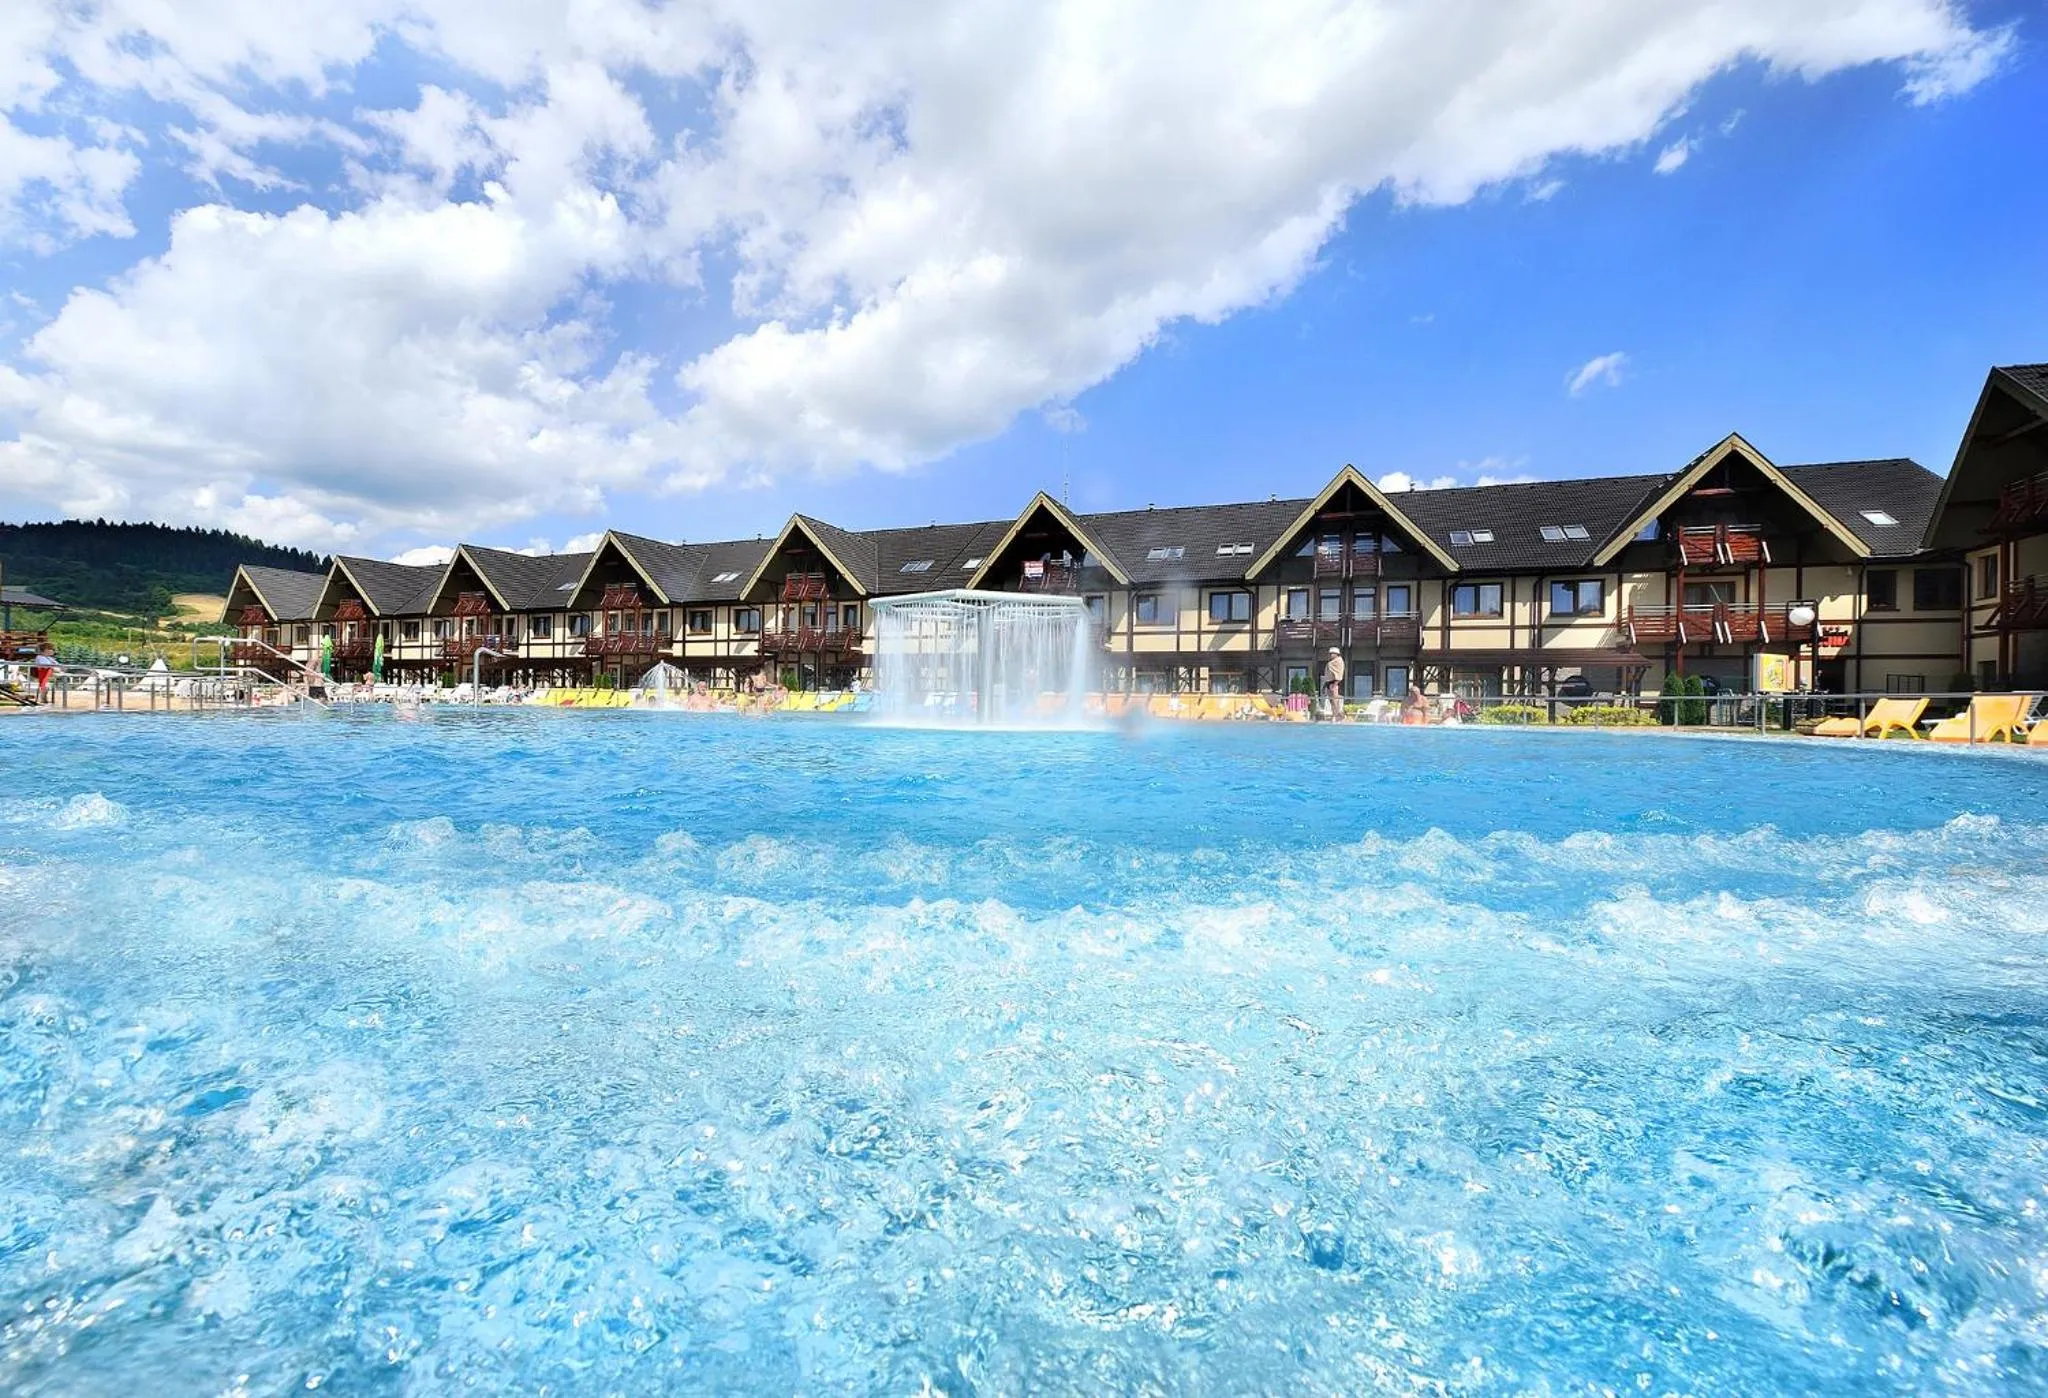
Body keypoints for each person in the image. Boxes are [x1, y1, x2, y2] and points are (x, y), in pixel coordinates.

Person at [1321, 647, 1346, 721]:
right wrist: (1325, 686)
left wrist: (1335, 684)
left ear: (1336, 654)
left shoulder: (1339, 661)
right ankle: (1334, 715)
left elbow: (1339, 673)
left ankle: (1339, 716)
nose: (1330, 655)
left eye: (1332, 653)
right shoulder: (1331, 662)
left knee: (1335, 700)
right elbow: (1328, 675)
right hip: (1329, 683)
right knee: (1331, 701)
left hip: (1335, 683)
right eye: (1330, 654)